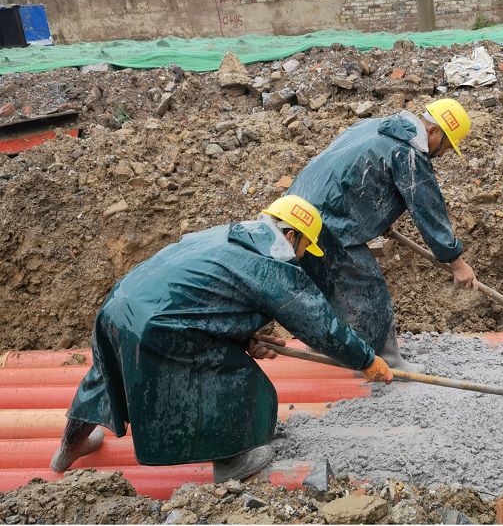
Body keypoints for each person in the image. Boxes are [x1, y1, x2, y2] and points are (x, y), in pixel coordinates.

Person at [49, 195, 392, 483]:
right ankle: (231, 463)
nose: (302, 257)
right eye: (304, 248)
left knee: (105, 376)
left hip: (118, 306)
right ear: (291, 236)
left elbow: (202, 296)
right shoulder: (271, 265)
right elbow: (320, 326)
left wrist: (243, 335)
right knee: (237, 379)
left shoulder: (228, 235)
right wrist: (366, 360)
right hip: (159, 326)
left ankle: (69, 447)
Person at [287, 98, 478, 371]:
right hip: (327, 223)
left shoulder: (372, 126)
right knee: (369, 290)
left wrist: (376, 219)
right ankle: (389, 360)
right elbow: (428, 211)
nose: (443, 153)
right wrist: (457, 264)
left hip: (294, 211)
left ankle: (330, 347)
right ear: (434, 132)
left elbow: (352, 171)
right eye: (446, 146)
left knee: (327, 285)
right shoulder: (408, 153)